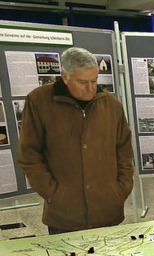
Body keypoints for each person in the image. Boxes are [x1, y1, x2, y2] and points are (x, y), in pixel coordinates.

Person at [18, 47, 133, 235]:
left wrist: (120, 189)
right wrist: (53, 194)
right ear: (65, 76)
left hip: (107, 210)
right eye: (82, 82)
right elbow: (29, 155)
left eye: (94, 80)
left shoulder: (111, 106)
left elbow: (124, 151)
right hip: (64, 215)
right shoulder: (39, 102)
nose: (90, 88)